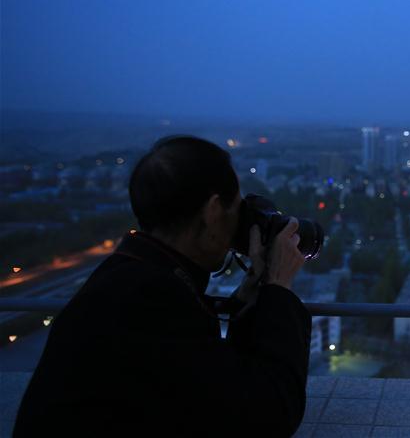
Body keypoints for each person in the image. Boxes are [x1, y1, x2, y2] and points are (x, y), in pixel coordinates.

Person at [14, 136, 311, 437]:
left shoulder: (125, 277)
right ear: (212, 212)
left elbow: (217, 386)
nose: (240, 225)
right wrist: (279, 288)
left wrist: (246, 301)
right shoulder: (149, 300)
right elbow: (270, 414)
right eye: (236, 210)